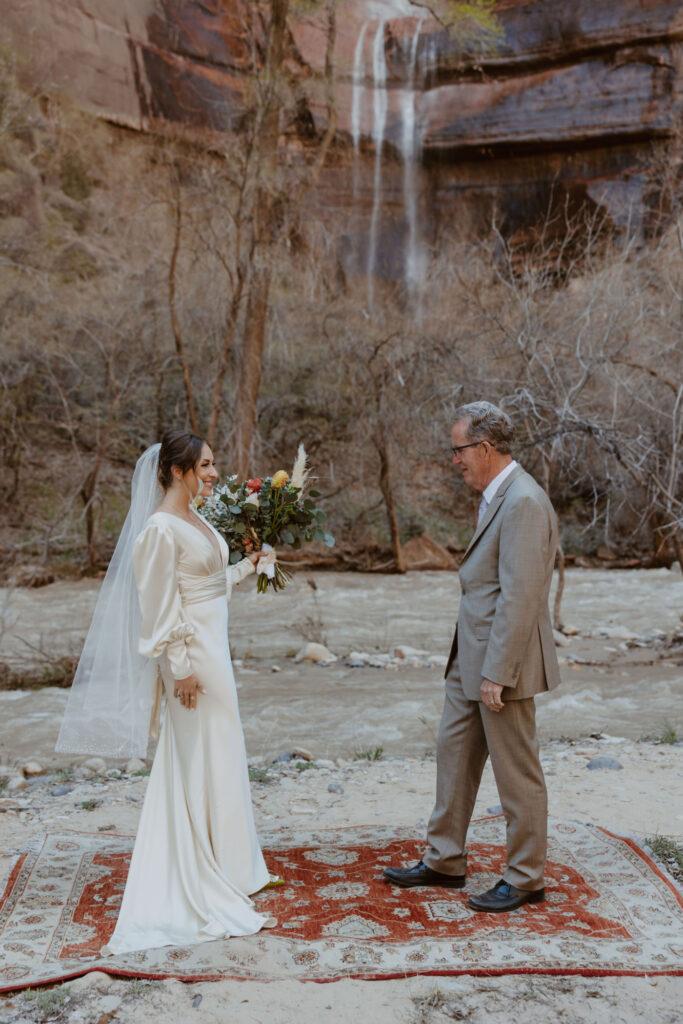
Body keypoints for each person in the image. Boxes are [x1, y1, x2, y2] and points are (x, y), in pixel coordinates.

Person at [57, 430, 277, 953]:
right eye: (205, 465)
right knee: (198, 754)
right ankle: (196, 868)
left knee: (219, 752)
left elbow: (205, 585)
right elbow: (158, 608)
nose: (214, 473)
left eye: (214, 464)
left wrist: (251, 565)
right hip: (191, 659)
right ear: (177, 471)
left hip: (213, 650)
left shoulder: (196, 518)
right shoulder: (157, 529)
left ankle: (227, 864)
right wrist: (179, 669)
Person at [383, 401, 561, 913]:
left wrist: (496, 675)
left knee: (515, 770)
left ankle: (526, 877)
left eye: (458, 449)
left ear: (483, 448)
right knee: (453, 753)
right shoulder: (494, 495)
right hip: (470, 657)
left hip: (503, 664)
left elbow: (521, 596)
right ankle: (445, 861)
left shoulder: (523, 500)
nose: (454, 459)